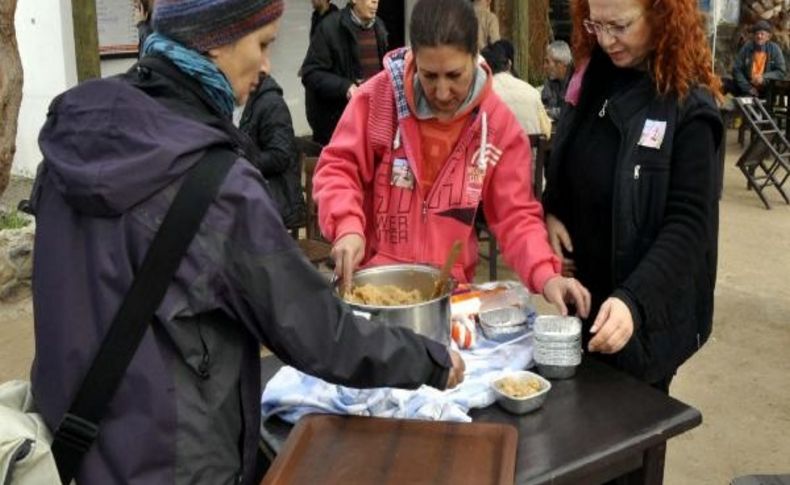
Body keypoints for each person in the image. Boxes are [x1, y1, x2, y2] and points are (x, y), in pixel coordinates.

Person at [30, 0, 465, 483]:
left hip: (76, 445)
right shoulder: (217, 184)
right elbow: (316, 329)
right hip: (177, 459)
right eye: (262, 44)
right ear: (214, 41)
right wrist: (428, 359)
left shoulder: (68, 144)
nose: (266, 65)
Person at [313, 0, 591, 319]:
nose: (442, 92)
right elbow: (338, 169)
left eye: (454, 75)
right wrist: (347, 226)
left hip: (448, 296)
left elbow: (515, 215)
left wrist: (546, 274)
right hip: (375, 291)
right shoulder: (379, 100)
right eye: (429, 76)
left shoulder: (495, 124)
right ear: (413, 58)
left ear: (475, 56)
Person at [542, 0, 724, 392]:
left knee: (631, 429)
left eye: (620, 26)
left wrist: (634, 301)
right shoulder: (593, 74)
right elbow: (569, 156)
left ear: (661, 14)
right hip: (584, 300)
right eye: (596, 25)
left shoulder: (687, 104)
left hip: (645, 314)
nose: (606, 40)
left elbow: (690, 225)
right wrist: (552, 211)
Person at [301, 0, 387, 145]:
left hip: (373, 125)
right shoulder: (329, 27)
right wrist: (346, 87)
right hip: (339, 128)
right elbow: (310, 73)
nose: (375, 2)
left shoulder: (379, 26)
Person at [239, 62, 306, 231]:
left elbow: (280, 156)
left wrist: (242, 162)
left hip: (279, 202)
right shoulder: (255, 100)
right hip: (265, 198)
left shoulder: (271, 104)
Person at [482, 40, 552, 138]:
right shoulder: (532, 92)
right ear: (509, 64)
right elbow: (547, 131)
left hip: (497, 152)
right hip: (529, 152)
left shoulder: (483, 94)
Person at [731, 20, 787, 97]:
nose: (759, 36)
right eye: (757, 34)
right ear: (754, 36)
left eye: (762, 34)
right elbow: (736, 69)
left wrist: (763, 78)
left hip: (767, 90)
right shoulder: (747, 47)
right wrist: (748, 88)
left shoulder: (775, 49)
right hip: (748, 89)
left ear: (768, 37)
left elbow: (781, 72)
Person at [541, 40, 573, 121]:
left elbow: (570, 112)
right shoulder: (550, 80)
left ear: (559, 64)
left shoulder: (576, 81)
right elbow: (544, 104)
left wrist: (549, 112)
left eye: (547, 62)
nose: (544, 66)